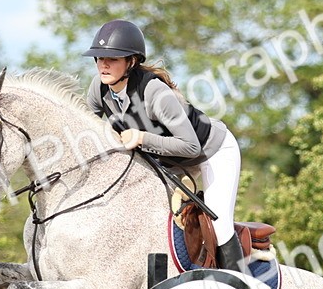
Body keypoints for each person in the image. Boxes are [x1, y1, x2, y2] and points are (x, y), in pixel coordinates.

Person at [83, 19, 244, 271]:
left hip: (211, 151)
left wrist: (142, 138)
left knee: (219, 225)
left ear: (131, 62)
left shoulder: (155, 93)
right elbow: (85, 132)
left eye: (112, 59)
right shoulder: (99, 88)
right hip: (169, 161)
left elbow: (190, 147)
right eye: (99, 57)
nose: (103, 64)